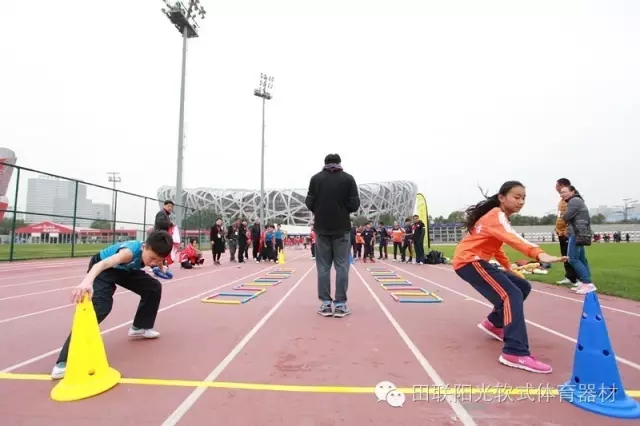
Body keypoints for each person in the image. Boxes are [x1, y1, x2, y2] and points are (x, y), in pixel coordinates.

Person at [453, 181, 566, 374]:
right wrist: (539, 254)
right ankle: (514, 351)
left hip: (475, 261)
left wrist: (508, 268)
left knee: (522, 286)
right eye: (516, 197)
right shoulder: (496, 215)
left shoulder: (499, 217)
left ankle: (494, 323)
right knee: (511, 294)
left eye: (523, 198)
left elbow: (496, 247)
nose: (521, 202)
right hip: (469, 261)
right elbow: (513, 238)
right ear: (502, 198)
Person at [50, 230, 173, 380]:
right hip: (104, 269)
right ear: (144, 247)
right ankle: (64, 361)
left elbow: (157, 259)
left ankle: (140, 327)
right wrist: (86, 282)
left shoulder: (153, 253)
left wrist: (160, 267)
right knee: (101, 307)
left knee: (153, 287)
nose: (153, 262)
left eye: (158, 260)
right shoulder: (128, 253)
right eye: (152, 258)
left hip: (125, 270)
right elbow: (101, 264)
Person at [305, 153, 360, 318]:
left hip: (322, 229)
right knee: (342, 266)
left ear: (325, 163)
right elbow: (354, 204)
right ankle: (341, 304)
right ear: (339, 163)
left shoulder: (316, 179)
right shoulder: (348, 179)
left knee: (323, 267)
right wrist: (342, 209)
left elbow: (309, 202)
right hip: (342, 228)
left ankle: (326, 304)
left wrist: (320, 210)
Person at [561, 185, 596, 294]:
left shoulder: (574, 201)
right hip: (580, 232)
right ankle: (584, 282)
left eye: (564, 192)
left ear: (572, 191)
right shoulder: (577, 200)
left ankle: (587, 283)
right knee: (581, 259)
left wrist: (562, 215)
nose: (562, 194)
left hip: (577, 233)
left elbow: (566, 216)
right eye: (561, 193)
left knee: (572, 259)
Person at [554, 178, 580, 288]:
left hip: (568, 232)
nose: (556, 188)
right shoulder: (562, 200)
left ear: (563, 185)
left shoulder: (572, 200)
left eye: (557, 186)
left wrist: (567, 229)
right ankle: (569, 276)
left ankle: (578, 278)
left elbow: (572, 216)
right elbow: (561, 215)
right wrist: (557, 228)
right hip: (561, 232)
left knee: (572, 256)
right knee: (565, 255)